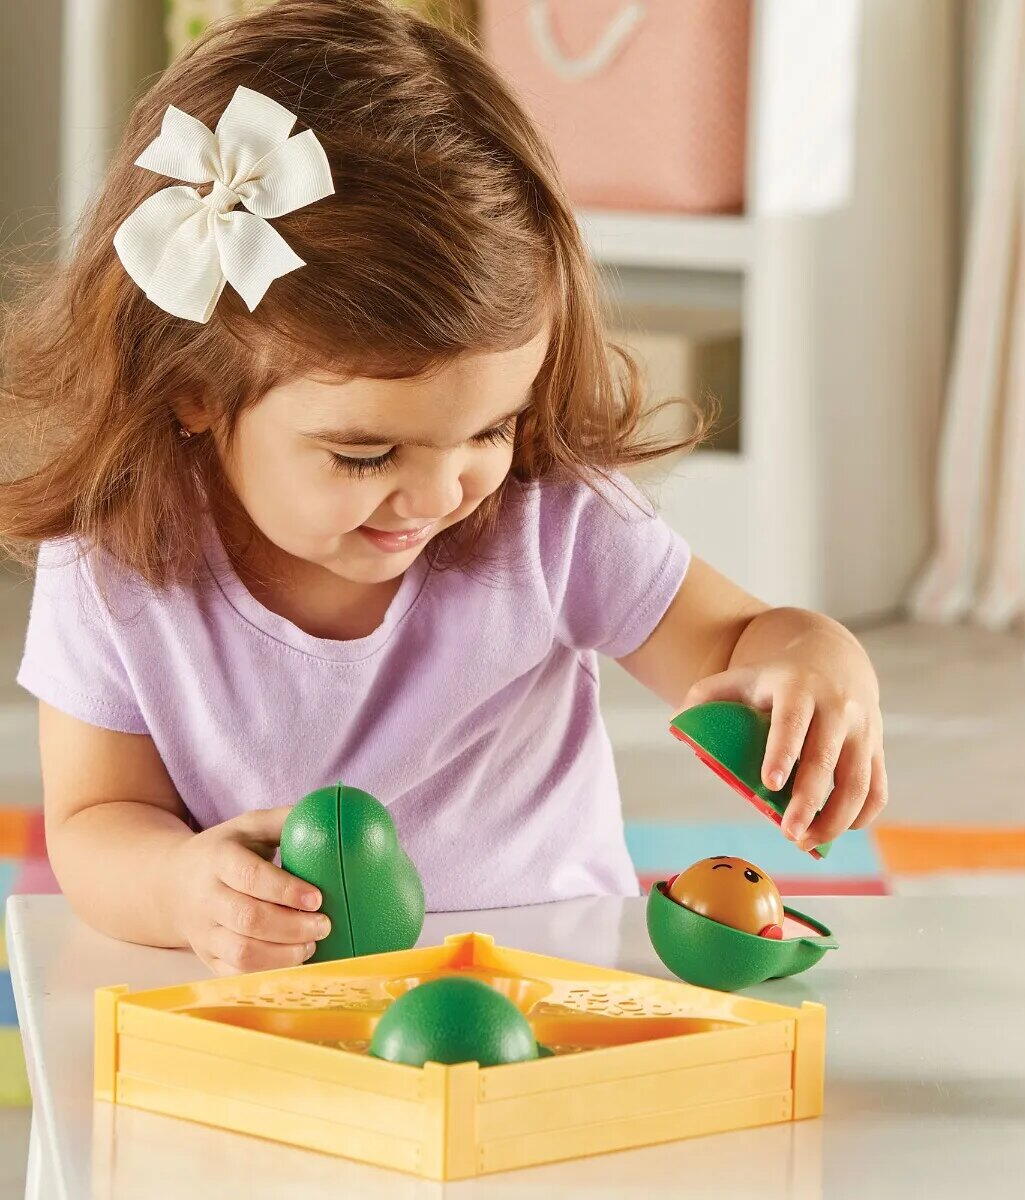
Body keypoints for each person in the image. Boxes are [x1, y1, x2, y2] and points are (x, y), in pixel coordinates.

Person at [0, 0, 886, 976]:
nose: (438, 494)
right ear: (194, 391)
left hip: (549, 996)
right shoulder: (115, 562)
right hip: (286, 1011)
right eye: (366, 455)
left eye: (490, 430)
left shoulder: (551, 519)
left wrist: (815, 663)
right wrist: (182, 887)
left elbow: (737, 642)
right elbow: (97, 819)